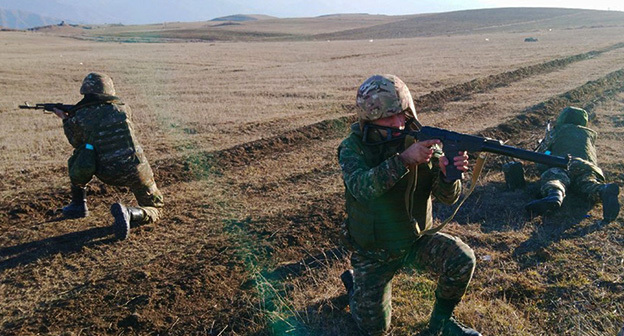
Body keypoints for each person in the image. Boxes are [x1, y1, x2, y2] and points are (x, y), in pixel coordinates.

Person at [338, 74, 480, 336]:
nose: (398, 123)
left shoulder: (421, 140)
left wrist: (449, 176)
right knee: (374, 328)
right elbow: (362, 188)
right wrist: (403, 161)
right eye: (387, 118)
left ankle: (441, 324)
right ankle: (355, 286)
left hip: (415, 240)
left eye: (402, 114)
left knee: (463, 259)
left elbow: (446, 198)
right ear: (368, 118)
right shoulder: (352, 147)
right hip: (374, 250)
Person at [53, 72, 164, 240]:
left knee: (81, 153)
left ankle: (78, 205)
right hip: (137, 168)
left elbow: (75, 141)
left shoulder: (80, 116)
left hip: (106, 171)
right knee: (155, 208)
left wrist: (66, 120)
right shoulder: (123, 108)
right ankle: (130, 213)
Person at [526, 106, 620, 222]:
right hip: (587, 167)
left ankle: (555, 195)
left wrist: (547, 151)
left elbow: (543, 157)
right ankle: (603, 190)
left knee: (556, 178)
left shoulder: (557, 131)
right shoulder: (589, 134)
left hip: (562, 163)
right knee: (588, 184)